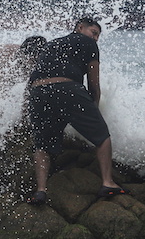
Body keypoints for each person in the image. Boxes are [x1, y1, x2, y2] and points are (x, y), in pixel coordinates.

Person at [25, 18, 124, 205]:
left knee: (42, 145)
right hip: (66, 88)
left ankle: (41, 190)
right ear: (80, 27)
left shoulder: (51, 44)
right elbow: (94, 83)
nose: (95, 38)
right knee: (103, 136)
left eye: (97, 36)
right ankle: (107, 182)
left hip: (37, 92)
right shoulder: (88, 43)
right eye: (94, 32)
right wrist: (93, 108)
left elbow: (34, 76)